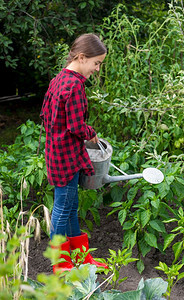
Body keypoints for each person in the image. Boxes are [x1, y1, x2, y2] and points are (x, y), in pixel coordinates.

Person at [40, 33, 108, 273]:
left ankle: (79, 257)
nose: (97, 69)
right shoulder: (75, 85)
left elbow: (47, 116)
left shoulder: (59, 79)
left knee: (70, 204)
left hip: (56, 152)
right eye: (96, 63)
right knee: (62, 207)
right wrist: (91, 133)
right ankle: (60, 262)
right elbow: (76, 126)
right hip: (67, 157)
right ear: (81, 57)